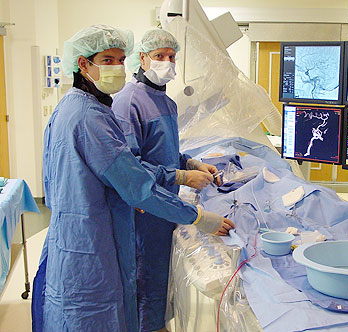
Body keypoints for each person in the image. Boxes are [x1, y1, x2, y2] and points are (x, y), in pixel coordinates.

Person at [31, 25, 234, 332]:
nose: (117, 68)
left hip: (72, 235)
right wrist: (199, 217)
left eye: (119, 60)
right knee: (97, 313)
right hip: (93, 241)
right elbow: (137, 186)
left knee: (68, 310)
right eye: (107, 60)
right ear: (83, 64)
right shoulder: (92, 118)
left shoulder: (71, 107)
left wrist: (187, 162)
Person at [112, 29, 222, 332]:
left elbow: (164, 148)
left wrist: (190, 161)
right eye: (159, 56)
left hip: (164, 206)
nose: (167, 62)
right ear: (143, 58)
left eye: (171, 57)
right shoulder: (128, 102)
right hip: (145, 209)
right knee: (146, 280)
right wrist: (182, 176)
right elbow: (131, 168)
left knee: (160, 278)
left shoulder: (166, 102)